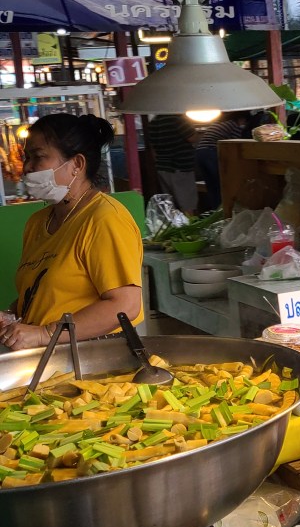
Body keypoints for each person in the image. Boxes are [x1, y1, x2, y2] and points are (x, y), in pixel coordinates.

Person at [0, 114, 144, 351]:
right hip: (46, 357)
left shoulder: (104, 218)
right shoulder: (37, 223)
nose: (27, 167)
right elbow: (45, 294)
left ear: (76, 164)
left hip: (91, 357)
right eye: (27, 157)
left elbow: (125, 306)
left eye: (38, 157)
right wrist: (12, 316)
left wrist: (45, 334)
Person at [194, 112, 248, 210]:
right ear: (241, 118)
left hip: (200, 152)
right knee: (221, 184)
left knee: (211, 185)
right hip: (211, 152)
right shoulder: (234, 125)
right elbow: (234, 145)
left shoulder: (218, 123)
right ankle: (223, 210)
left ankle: (216, 209)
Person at [147, 112, 197, 213]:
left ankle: (176, 226)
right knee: (187, 205)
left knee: (170, 205)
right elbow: (192, 137)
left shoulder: (154, 121)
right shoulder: (178, 118)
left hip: (163, 167)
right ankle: (188, 226)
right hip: (179, 166)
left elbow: (153, 148)